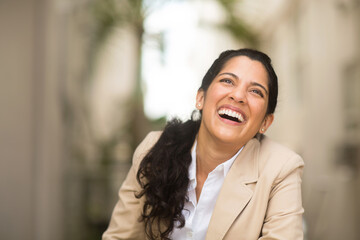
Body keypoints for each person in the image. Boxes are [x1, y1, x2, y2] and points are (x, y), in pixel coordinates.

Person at [102, 48, 304, 240]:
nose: (238, 96)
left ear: (265, 123)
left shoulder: (282, 168)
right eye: (227, 81)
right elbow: (119, 236)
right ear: (200, 98)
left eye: (255, 91)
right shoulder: (154, 148)